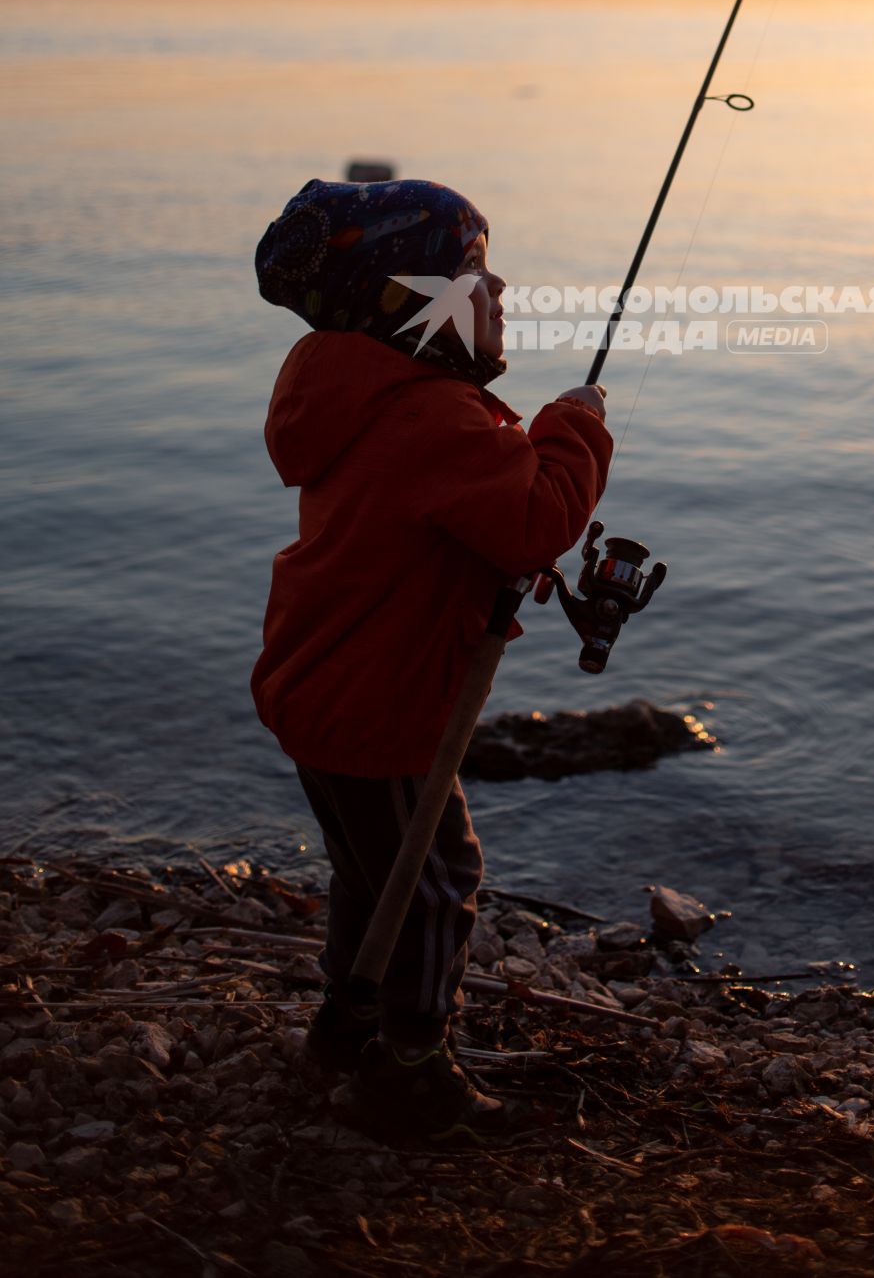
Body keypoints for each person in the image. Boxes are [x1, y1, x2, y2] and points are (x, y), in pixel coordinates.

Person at [251, 176, 611, 1136]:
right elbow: (537, 523)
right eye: (477, 277)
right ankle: (410, 1068)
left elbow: (433, 523)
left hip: (319, 687)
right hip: (380, 705)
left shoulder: (358, 396)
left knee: (373, 870)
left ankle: (348, 1018)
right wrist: (572, 425)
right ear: (416, 307)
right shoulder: (435, 421)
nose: (501, 293)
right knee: (434, 878)